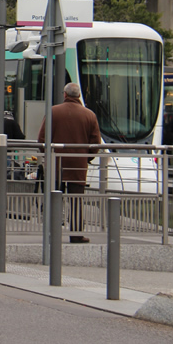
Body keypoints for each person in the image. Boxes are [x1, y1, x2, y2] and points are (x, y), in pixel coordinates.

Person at [36, 82, 100, 243]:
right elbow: (95, 143)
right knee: (76, 200)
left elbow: (41, 140)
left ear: (65, 94)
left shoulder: (52, 112)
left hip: (56, 165)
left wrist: (49, 157)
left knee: (54, 199)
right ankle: (76, 234)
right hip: (78, 166)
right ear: (78, 95)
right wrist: (86, 158)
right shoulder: (89, 115)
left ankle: (53, 233)